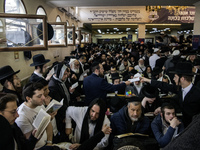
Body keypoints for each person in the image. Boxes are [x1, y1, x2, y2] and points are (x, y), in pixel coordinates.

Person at [141, 62, 200, 127]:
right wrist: (147, 80)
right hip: (185, 126)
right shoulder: (180, 89)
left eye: (175, 77)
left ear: (182, 79)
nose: (174, 79)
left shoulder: (197, 93)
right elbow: (164, 85)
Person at [15, 82, 55, 150]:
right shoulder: (21, 116)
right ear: (28, 98)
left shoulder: (39, 104)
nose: (43, 98)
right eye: (39, 96)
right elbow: (30, 141)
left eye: (43, 94)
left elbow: (48, 124)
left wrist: (49, 142)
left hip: (47, 143)